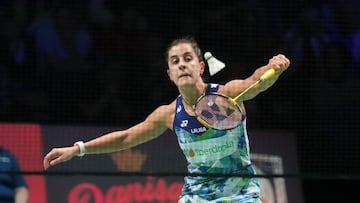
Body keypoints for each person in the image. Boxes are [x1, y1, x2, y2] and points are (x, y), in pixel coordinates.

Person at [43, 36, 290, 202]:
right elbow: (127, 137)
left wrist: (273, 68)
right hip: (197, 195)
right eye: (175, 62)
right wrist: (79, 149)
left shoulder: (227, 94)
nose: (181, 65)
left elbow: (255, 83)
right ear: (169, 74)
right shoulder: (169, 114)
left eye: (187, 58)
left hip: (241, 192)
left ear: (200, 67)